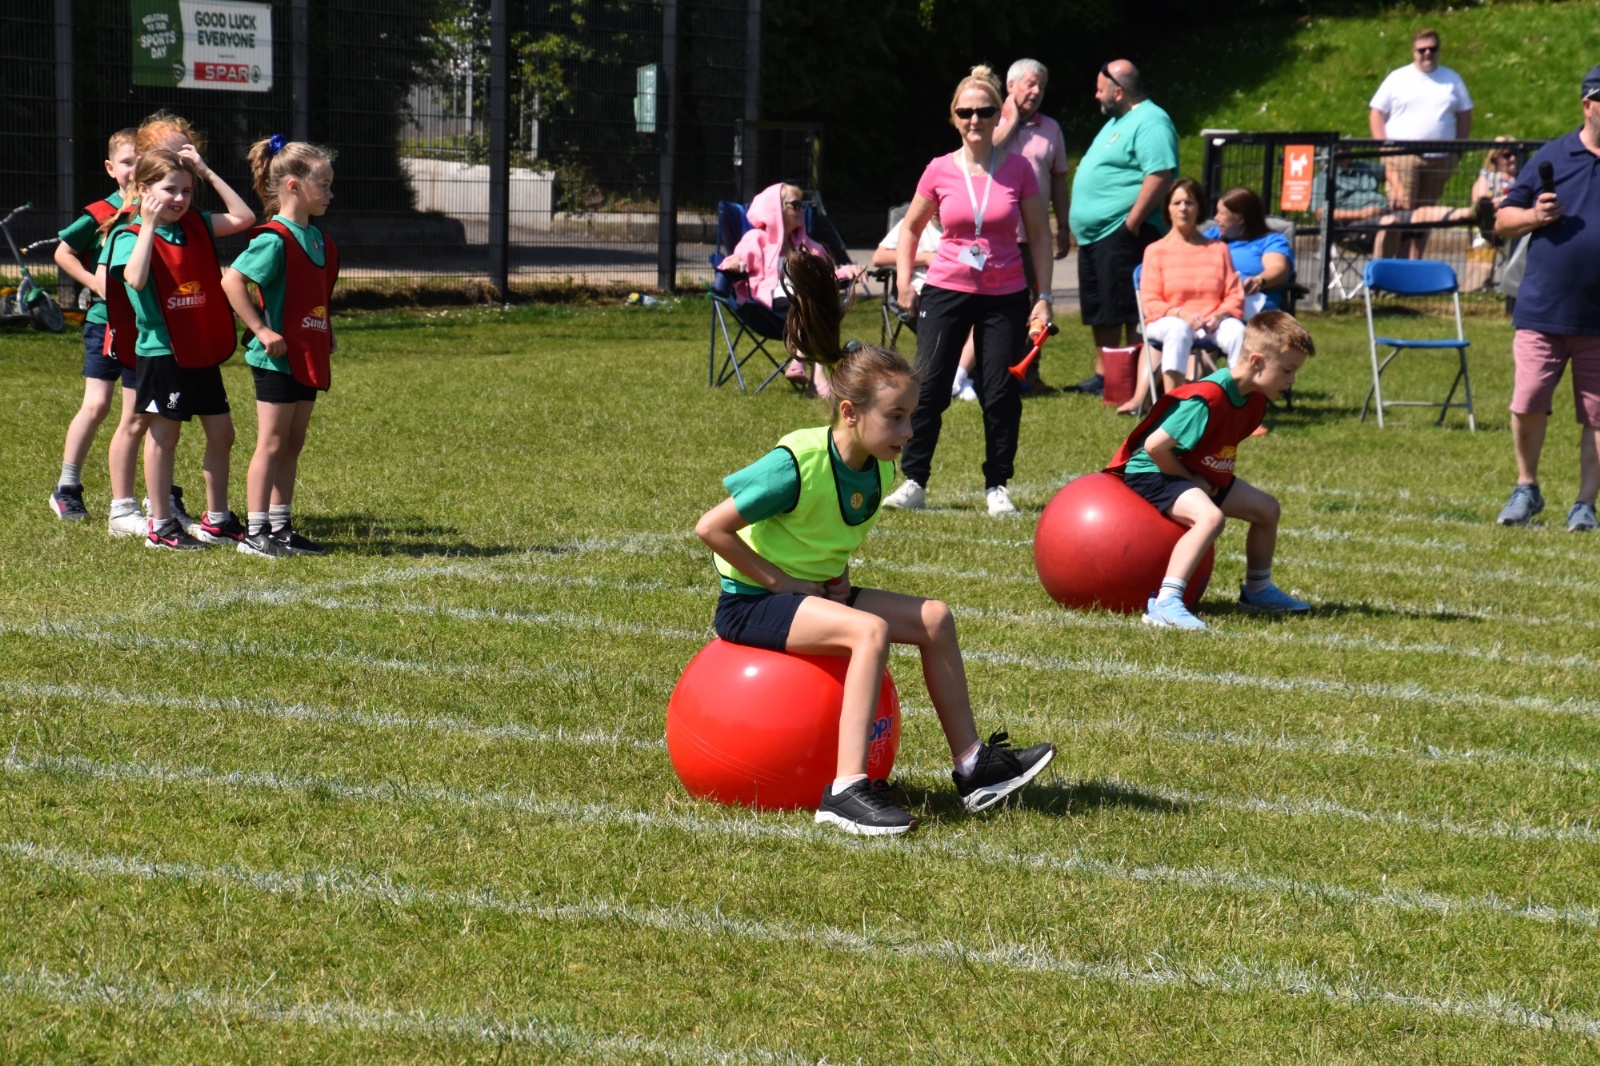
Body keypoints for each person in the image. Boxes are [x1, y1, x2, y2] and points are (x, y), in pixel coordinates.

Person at [693, 250, 1056, 835]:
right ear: (850, 413)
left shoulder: (879, 467)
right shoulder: (796, 462)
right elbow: (711, 528)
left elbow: (821, 536)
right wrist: (783, 583)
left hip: (813, 594)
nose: (909, 431)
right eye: (896, 417)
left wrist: (832, 578)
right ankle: (845, 791)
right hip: (752, 604)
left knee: (935, 618)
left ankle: (973, 768)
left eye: (912, 416)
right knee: (870, 632)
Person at [886, 65, 1054, 517]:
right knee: (929, 387)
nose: (974, 119)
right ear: (954, 117)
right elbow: (910, 229)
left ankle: (997, 485)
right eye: (965, 112)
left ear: (999, 114)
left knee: (1000, 392)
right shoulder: (939, 169)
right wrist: (904, 281)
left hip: (1006, 294)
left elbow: (1040, 235)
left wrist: (1044, 297)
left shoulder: (1019, 169)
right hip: (945, 289)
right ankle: (914, 481)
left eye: (984, 111)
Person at [1106, 311, 1316, 629]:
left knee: (1267, 509)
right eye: (1287, 371)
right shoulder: (1208, 398)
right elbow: (1155, 447)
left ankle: (1257, 590)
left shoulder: (1253, 399)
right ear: (1257, 362)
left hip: (1192, 471)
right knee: (1210, 518)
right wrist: (1192, 481)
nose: (1292, 381)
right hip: (1152, 472)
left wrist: (1202, 480)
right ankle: (1165, 604)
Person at [101, 147, 256, 550]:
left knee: (222, 433)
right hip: (161, 353)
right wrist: (149, 224)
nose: (179, 198)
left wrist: (206, 171)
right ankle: (162, 525)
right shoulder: (128, 235)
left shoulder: (194, 225)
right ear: (143, 189)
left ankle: (217, 521)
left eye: (186, 190)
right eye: (170, 189)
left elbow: (244, 218)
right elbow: (135, 279)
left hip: (199, 348)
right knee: (164, 437)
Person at [89, 111, 212, 538]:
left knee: (161, 424)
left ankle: (162, 502)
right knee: (136, 420)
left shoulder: (182, 213)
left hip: (172, 340)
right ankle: (122, 508)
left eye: (188, 154)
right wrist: (133, 317)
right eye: (177, 153)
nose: (184, 160)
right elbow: (113, 280)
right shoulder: (130, 220)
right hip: (142, 338)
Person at [1491, 65, 1600, 533]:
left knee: (1598, 415)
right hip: (1543, 309)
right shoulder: (1553, 155)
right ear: (1588, 105)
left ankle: (1585, 504)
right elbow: (1503, 220)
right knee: (1529, 399)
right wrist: (1535, 215)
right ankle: (1526, 487)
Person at [222, 135, 339, 558]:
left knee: (293, 442)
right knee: (271, 443)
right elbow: (232, 281)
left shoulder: (318, 240)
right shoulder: (274, 239)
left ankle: (281, 526)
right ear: (293, 185)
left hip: (305, 354)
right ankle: (256, 533)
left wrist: (326, 330)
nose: (330, 193)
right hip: (274, 359)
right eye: (323, 184)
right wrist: (261, 329)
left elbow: (311, 295)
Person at [1067, 59, 1178, 396]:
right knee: (1101, 308)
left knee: (1128, 308)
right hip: (1097, 237)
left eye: (1100, 89)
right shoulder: (1118, 121)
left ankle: (1131, 378)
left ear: (1118, 91)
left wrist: (1131, 224)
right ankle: (1105, 376)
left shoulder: (1152, 120)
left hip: (1125, 233)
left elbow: (1160, 173)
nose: (1096, 95)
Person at [47, 128, 136, 524]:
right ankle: (67, 487)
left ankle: (157, 494)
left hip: (146, 326)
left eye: (142, 162)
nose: (135, 170)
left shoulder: (162, 208)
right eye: (127, 162)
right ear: (110, 168)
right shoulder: (101, 212)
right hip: (105, 323)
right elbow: (63, 253)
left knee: (142, 412)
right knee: (98, 404)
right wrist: (95, 283)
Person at [1118, 180, 1245, 416]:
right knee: (1178, 329)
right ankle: (1173, 410)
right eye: (1176, 203)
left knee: (1237, 331)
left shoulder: (1218, 249)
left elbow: (1234, 295)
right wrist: (1181, 314)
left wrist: (1220, 315)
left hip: (1210, 322)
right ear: (1168, 209)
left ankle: (1240, 410)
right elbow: (1150, 302)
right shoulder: (1155, 251)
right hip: (1167, 321)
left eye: (1189, 202)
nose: (1183, 208)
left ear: (1199, 208)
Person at [719, 182, 858, 396]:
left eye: (803, 205)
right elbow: (733, 261)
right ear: (776, 208)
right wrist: (734, 264)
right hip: (765, 306)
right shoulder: (756, 239)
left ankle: (803, 361)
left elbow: (826, 275)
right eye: (796, 205)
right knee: (813, 303)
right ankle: (814, 373)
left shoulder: (809, 247)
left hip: (802, 305)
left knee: (818, 300)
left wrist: (848, 271)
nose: (802, 210)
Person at [994, 57, 1072, 392]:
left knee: (1036, 303)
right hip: (997, 234)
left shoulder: (1050, 128)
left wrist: (1063, 226)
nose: (1037, 91)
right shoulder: (990, 120)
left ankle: (1029, 373)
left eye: (1041, 85)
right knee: (998, 305)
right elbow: (987, 152)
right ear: (1010, 86)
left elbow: (1058, 180)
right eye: (1030, 83)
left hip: (1034, 235)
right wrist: (1010, 120)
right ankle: (991, 372)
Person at [1368, 28, 1473, 259]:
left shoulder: (1452, 79)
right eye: (1422, 50)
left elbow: (1465, 114)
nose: (1427, 54)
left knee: (1426, 215)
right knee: (1401, 210)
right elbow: (1376, 113)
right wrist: (1383, 148)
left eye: (1432, 49)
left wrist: (1458, 150)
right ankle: (1391, 265)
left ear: (1439, 50)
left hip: (1441, 158)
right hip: (1402, 155)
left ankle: (1414, 264)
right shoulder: (1398, 78)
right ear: (1413, 51)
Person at [870, 211, 981, 403]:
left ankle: (957, 377)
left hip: (962, 291)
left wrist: (952, 258)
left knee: (984, 316)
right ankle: (959, 379)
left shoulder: (964, 225)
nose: (936, 211)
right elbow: (879, 257)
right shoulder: (914, 223)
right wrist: (926, 258)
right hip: (924, 294)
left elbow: (978, 260)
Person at [1202, 186, 1294, 318]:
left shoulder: (1271, 241)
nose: (1216, 218)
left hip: (1253, 312)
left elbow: (1278, 269)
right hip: (1211, 307)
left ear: (1240, 218)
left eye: (1222, 214)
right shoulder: (1214, 235)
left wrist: (1258, 281)